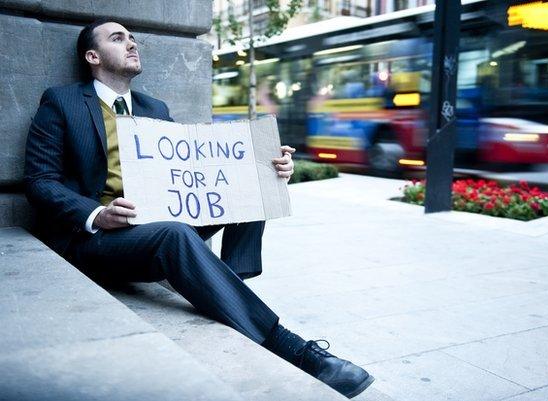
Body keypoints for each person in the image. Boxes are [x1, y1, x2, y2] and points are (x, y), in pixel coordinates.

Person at [23, 19, 374, 398]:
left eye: (133, 37)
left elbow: (191, 170)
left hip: (158, 223)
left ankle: (229, 293)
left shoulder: (153, 107)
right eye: (118, 38)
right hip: (97, 240)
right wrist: (97, 215)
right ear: (92, 56)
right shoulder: (62, 102)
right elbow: (40, 182)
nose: (132, 43)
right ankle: (294, 350)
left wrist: (266, 165)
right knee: (174, 234)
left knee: (249, 186)